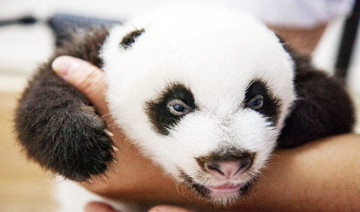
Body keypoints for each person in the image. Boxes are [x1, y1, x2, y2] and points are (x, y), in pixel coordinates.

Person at [50, 1, 359, 211]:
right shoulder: (116, 54)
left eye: (255, 102)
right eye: (178, 109)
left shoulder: (263, 51)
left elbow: (331, 106)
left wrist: (145, 178)